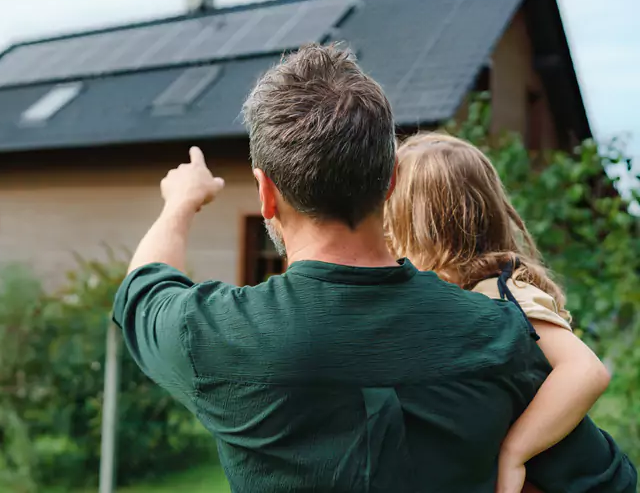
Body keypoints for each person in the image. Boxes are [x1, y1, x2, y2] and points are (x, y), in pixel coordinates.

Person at [112, 43, 637, 492]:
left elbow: (143, 286)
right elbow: (610, 481)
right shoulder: (499, 334)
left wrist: (181, 201)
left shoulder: (213, 334)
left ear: (266, 193)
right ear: (388, 183)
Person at [383, 132, 614, 493]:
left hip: (586, 483)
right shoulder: (457, 297)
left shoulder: (504, 293)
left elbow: (586, 371)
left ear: (425, 229)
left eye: (392, 220)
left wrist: (514, 451)